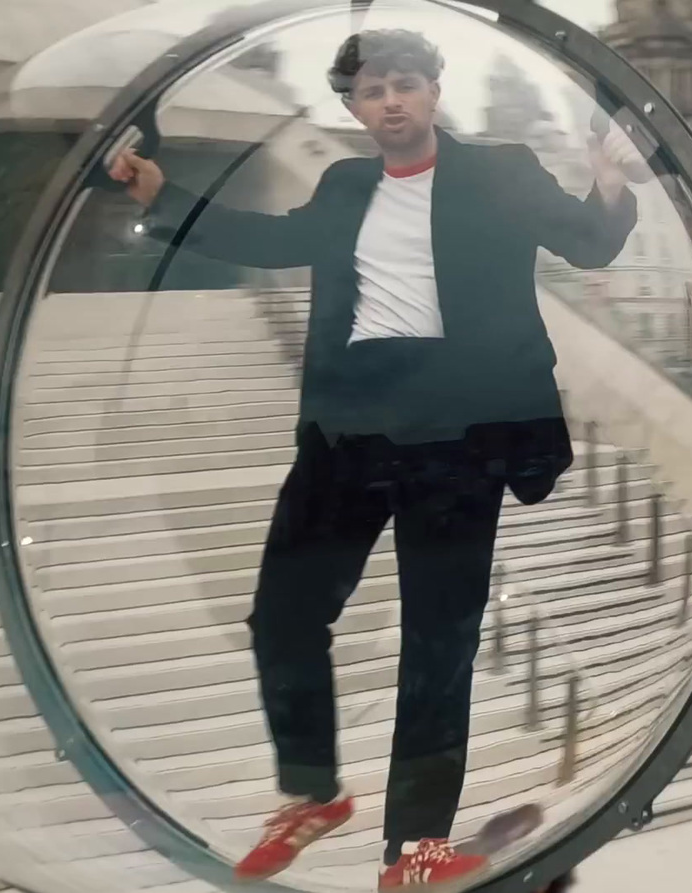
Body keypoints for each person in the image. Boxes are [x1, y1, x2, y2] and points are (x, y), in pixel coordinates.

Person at [109, 29, 640, 887]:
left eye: (403, 83)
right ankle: (314, 794)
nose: (389, 100)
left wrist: (609, 184)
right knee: (282, 615)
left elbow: (590, 241)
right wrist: (165, 195)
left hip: (459, 445)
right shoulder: (345, 183)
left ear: (432, 91)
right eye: (370, 90)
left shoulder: (500, 171)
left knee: (440, 646)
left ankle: (415, 852)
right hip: (347, 434)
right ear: (352, 107)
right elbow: (269, 238)